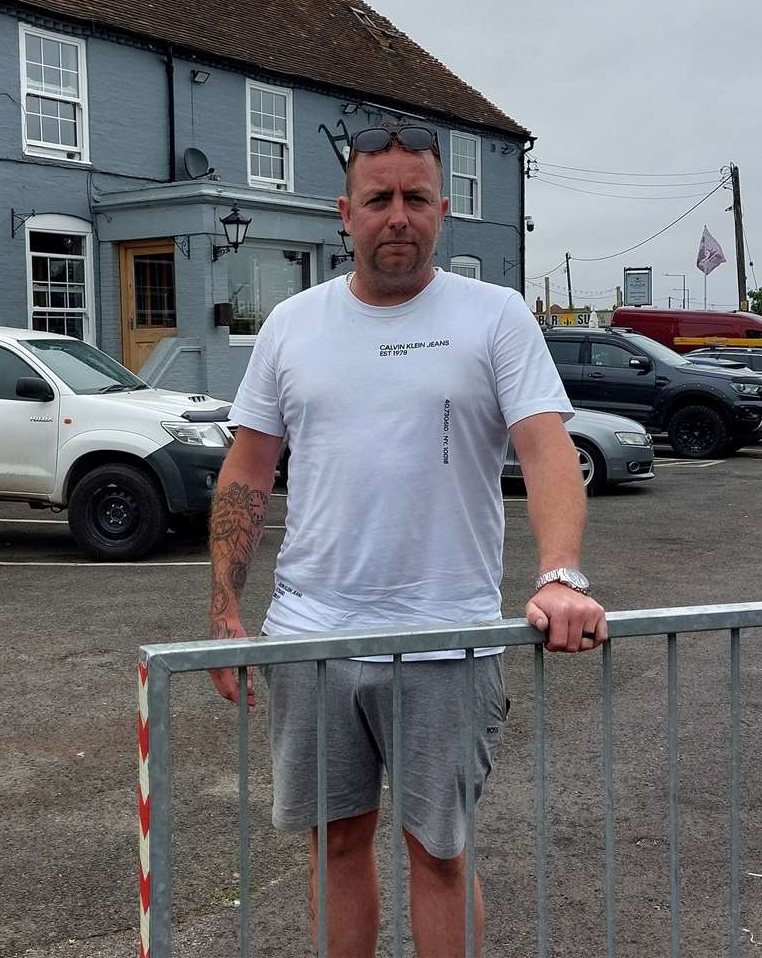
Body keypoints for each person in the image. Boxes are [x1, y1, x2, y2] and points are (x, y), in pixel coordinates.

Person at [206, 121, 607, 957]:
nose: (399, 215)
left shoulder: (493, 317)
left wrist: (560, 572)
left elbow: (545, 447)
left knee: (441, 853)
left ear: (443, 210)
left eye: (416, 198)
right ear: (344, 212)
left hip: (444, 639)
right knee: (336, 846)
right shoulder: (291, 324)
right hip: (312, 639)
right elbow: (246, 471)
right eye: (379, 198)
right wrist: (225, 610)